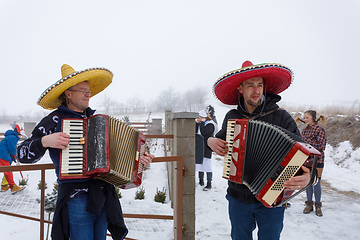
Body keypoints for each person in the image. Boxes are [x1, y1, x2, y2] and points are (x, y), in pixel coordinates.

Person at [17, 64, 154, 240]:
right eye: (82, 90)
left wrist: (138, 161)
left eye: (88, 90)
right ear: (68, 93)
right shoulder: (54, 120)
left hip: (102, 194)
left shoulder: (97, 121)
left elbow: (119, 157)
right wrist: (44, 141)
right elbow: (22, 153)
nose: (88, 94)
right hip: (76, 196)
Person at [207, 60, 312, 240]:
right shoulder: (232, 117)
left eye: (260, 85)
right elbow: (219, 138)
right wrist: (210, 141)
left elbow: (304, 155)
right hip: (238, 198)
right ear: (240, 88)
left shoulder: (282, 117)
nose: (256, 90)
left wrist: (309, 176)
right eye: (250, 85)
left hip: (272, 199)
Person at [296, 110, 326, 216]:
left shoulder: (320, 130)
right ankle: (309, 205)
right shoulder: (304, 130)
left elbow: (321, 146)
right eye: (304, 118)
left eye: (307, 117)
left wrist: (306, 141)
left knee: (316, 183)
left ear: (313, 118)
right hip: (306, 160)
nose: (305, 119)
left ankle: (318, 206)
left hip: (318, 160)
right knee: (308, 182)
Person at [0, 122, 26, 194]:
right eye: (21, 135)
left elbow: (10, 148)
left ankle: (4, 185)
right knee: (8, 170)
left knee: (7, 169)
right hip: (3, 155)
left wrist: (15, 158)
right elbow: (12, 149)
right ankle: (13, 186)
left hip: (3, 155)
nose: (21, 137)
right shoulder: (13, 137)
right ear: (18, 133)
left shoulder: (10, 137)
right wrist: (15, 154)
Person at [195, 109, 217, 191]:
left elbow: (204, 132)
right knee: (200, 164)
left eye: (201, 117)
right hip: (200, 147)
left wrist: (201, 123)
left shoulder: (210, 124)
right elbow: (195, 131)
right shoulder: (201, 123)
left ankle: (209, 183)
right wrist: (197, 123)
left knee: (207, 166)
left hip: (207, 148)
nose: (199, 118)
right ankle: (201, 181)